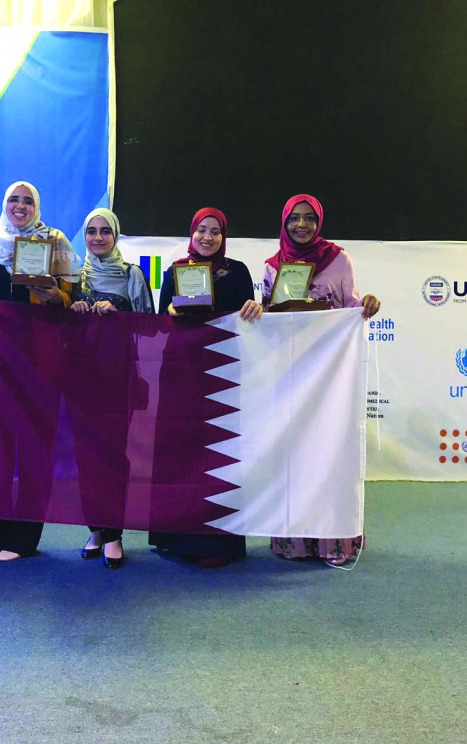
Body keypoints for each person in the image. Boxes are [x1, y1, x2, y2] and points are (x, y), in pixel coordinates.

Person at [262, 193, 380, 566]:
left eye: (309, 218)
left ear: (319, 222)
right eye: (294, 218)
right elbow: (268, 321)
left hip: (331, 376)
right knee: (294, 457)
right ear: (284, 222)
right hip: (290, 375)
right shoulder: (272, 267)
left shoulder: (339, 259)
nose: (301, 224)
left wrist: (367, 305)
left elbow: (352, 305)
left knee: (330, 455)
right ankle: (295, 543)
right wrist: (258, 312)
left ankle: (335, 543)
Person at [0, 181, 79, 562]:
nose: (20, 206)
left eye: (28, 200)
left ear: (37, 207)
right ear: (4, 205)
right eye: (13, 200)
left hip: (39, 362)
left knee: (34, 449)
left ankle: (23, 539)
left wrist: (55, 296)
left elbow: (74, 297)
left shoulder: (56, 242)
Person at [149, 208, 263, 568]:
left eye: (215, 231)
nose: (208, 237)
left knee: (219, 453)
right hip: (180, 373)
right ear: (192, 232)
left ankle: (218, 545)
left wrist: (254, 308)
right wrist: (170, 311)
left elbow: (248, 319)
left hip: (222, 372)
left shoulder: (238, 272)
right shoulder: (175, 270)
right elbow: (159, 322)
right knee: (180, 451)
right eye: (201, 229)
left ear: (224, 236)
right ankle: (175, 537)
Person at [68, 208, 155, 569]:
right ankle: (95, 530)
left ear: (116, 236)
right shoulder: (73, 275)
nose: (98, 237)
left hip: (119, 378)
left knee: (114, 455)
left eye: (106, 231)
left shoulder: (132, 274)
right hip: (80, 379)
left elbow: (150, 327)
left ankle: (114, 533)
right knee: (85, 456)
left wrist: (119, 313)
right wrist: (71, 309)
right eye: (92, 231)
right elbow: (59, 328)